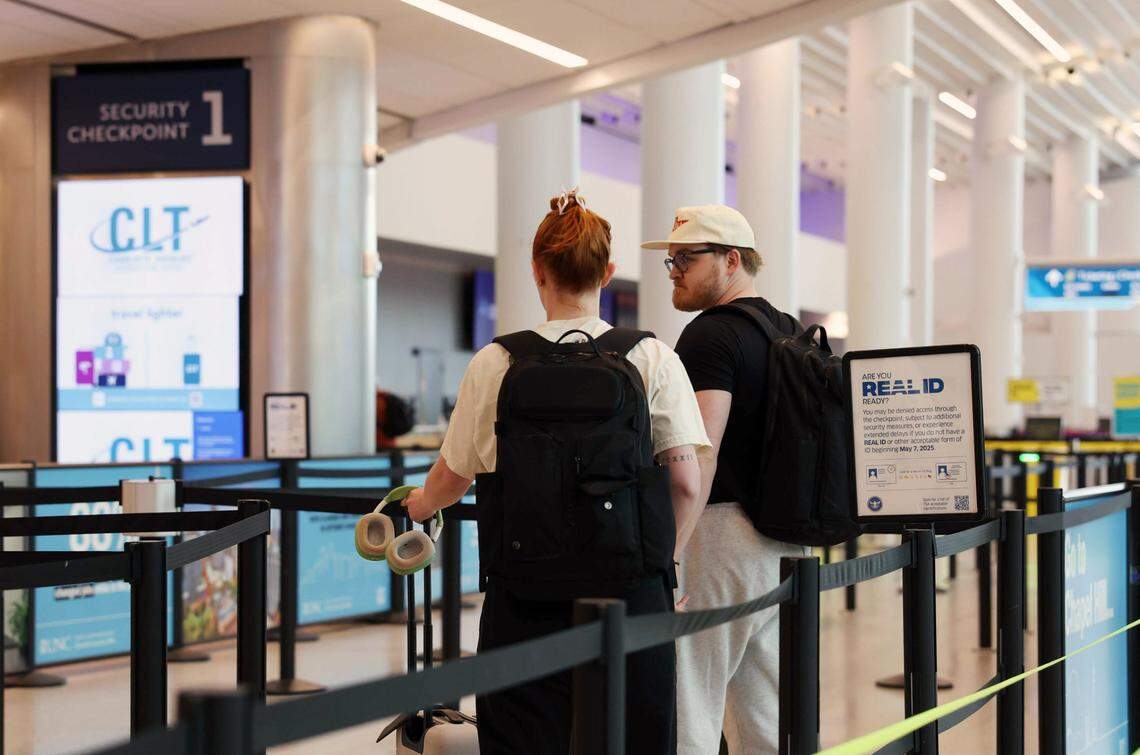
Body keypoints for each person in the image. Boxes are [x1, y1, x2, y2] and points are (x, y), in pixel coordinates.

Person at [404, 189, 710, 755]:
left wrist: (420, 506)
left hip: (523, 592)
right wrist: (664, 564)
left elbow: (452, 477)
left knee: (522, 740)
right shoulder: (651, 358)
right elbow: (686, 482)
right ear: (609, 272)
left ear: (537, 271)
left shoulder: (496, 362)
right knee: (636, 735)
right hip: (631, 590)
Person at [642, 205, 808, 754]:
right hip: (788, 537)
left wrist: (671, 551)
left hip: (721, 536)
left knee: (692, 693)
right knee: (768, 707)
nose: (673, 270)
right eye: (671, 259)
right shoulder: (787, 329)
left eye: (686, 258)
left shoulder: (709, 336)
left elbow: (699, 455)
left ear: (731, 260)